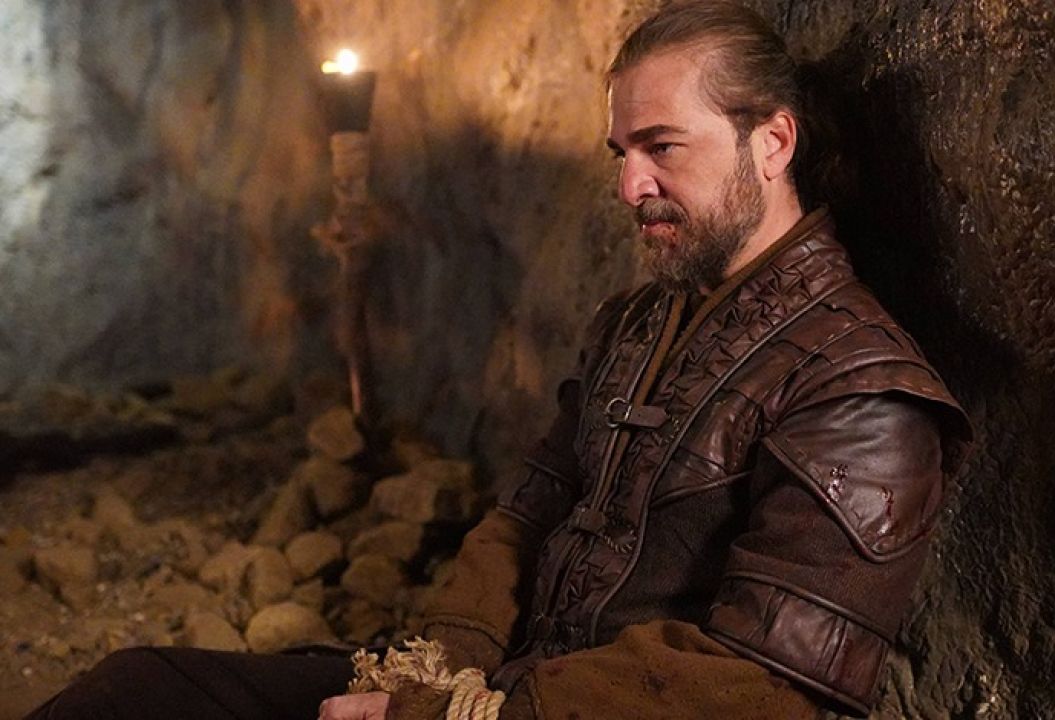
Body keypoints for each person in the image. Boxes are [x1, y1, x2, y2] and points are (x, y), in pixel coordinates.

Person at [28, 3, 970, 719]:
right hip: (488, 692)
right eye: (620, 151)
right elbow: (525, 515)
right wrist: (436, 671)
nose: (629, 185)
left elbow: (764, 684)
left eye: (661, 147)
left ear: (771, 142)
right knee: (139, 690)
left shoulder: (860, 391)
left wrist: (473, 714)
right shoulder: (638, 325)